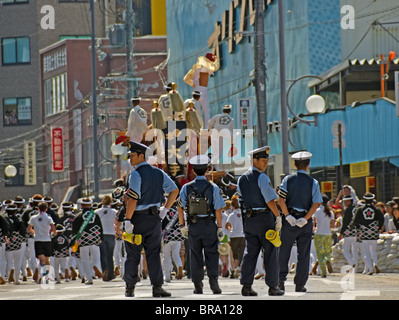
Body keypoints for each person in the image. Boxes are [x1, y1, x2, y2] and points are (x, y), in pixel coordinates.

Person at [123, 141, 179, 298]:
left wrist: (127, 219)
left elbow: (133, 199)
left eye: (133, 156)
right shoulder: (159, 173)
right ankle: (157, 287)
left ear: (142, 156)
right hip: (154, 219)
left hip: (137, 219)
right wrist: (165, 210)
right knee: (154, 254)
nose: (130, 159)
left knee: (133, 254)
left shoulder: (135, 174)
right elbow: (174, 191)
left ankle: (130, 287)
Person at [237, 146, 283, 296]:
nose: (265, 163)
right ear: (254, 160)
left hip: (249, 220)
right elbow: (270, 200)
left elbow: (241, 200)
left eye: (266, 160)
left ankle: (246, 286)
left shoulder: (242, 178)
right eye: (263, 160)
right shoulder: (262, 177)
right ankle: (273, 286)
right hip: (264, 219)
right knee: (270, 253)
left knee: (250, 253)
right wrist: (277, 216)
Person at [178, 154, 225, 294]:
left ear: (193, 171)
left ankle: (198, 285)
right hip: (209, 224)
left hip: (193, 225)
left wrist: (182, 226)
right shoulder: (213, 187)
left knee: (195, 255)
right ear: (207, 169)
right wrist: (220, 228)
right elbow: (218, 209)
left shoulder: (186, 188)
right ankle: (214, 283)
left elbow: (180, 207)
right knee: (212, 254)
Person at [278, 151, 322, 293]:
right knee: (303, 254)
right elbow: (316, 203)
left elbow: (281, 199)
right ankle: (300, 284)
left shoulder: (287, 180)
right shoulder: (313, 182)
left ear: (295, 165)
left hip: (289, 219)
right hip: (305, 220)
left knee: (284, 251)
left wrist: (287, 216)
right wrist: (306, 218)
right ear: (308, 165)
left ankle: (280, 281)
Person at [72, 198, 103, 284]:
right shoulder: (95, 215)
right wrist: (101, 238)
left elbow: (74, 230)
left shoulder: (78, 216)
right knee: (96, 257)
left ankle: (89, 279)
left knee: (85, 260)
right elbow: (100, 227)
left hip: (83, 241)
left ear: (81, 205)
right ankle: (95, 266)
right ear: (91, 205)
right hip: (95, 239)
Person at [352, 192, 384, 275]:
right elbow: (381, 219)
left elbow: (355, 221)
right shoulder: (376, 209)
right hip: (374, 232)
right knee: (373, 250)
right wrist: (378, 227)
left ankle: (370, 269)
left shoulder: (360, 209)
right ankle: (375, 264)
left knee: (366, 252)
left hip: (364, 232)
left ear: (364, 200)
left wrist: (358, 228)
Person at [27, 201, 57, 284]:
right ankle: (46, 276)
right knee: (47, 260)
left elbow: (29, 229)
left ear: (38, 208)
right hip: (47, 240)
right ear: (46, 209)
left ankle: (41, 276)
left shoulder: (33, 217)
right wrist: (54, 233)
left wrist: (34, 233)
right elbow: (53, 227)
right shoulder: (48, 217)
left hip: (38, 240)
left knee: (41, 260)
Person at [96, 195, 118, 281]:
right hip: (111, 234)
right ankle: (111, 274)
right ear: (111, 202)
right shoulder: (114, 211)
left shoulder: (97, 211)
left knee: (103, 255)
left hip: (101, 235)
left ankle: (105, 271)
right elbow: (117, 221)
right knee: (110, 255)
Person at [312, 194, 335, 278]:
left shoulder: (316, 211)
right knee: (327, 252)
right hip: (328, 234)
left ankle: (323, 272)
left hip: (319, 234)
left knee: (320, 253)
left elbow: (313, 223)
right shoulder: (331, 212)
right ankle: (328, 260)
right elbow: (332, 225)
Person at [162, 206, 184, 282]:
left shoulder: (163, 210)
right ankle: (179, 266)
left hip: (166, 236)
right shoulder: (179, 210)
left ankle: (167, 276)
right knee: (176, 254)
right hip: (177, 235)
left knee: (166, 255)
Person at [225, 194, 245, 279]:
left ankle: (236, 267)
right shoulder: (243, 213)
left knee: (235, 254)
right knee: (242, 253)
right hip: (242, 235)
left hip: (234, 236)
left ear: (232, 205)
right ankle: (239, 267)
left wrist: (230, 228)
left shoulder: (231, 215)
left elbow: (227, 225)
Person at [340, 195, 359, 270]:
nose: (344, 203)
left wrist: (341, 232)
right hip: (356, 232)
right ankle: (355, 267)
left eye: (345, 202)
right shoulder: (357, 209)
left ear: (349, 201)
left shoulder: (348, 210)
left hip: (348, 232)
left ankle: (352, 263)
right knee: (354, 250)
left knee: (345, 249)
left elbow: (345, 222)